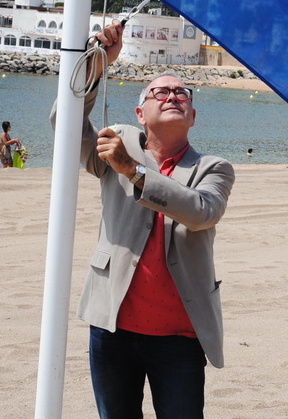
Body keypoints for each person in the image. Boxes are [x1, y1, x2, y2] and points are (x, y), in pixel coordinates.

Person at [51, 22, 234, 419]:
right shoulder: (118, 141)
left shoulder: (213, 167)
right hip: (111, 326)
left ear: (193, 115)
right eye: (160, 92)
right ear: (140, 113)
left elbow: (201, 212)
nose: (172, 96)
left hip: (180, 335)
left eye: (181, 93)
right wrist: (96, 63)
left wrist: (133, 172)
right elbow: (65, 124)